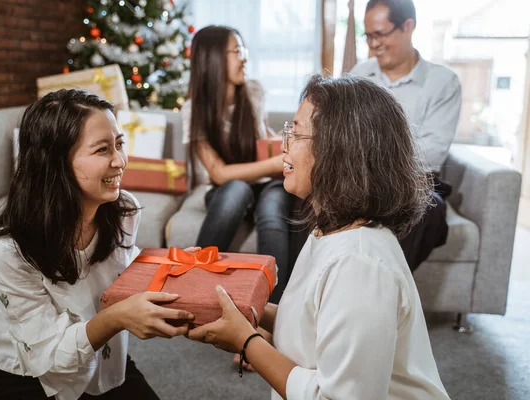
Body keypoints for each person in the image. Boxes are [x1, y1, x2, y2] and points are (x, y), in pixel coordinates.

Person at [188, 75, 451, 400]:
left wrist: (246, 341)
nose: (283, 145)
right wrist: (244, 306)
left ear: (338, 150)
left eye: (296, 134)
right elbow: (313, 317)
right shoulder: (329, 230)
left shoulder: (359, 265)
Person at [0, 89, 194, 400]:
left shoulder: (123, 211)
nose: (120, 161)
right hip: (33, 378)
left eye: (119, 144)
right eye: (102, 150)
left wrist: (168, 268)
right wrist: (118, 318)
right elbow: (46, 352)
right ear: (54, 163)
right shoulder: (10, 249)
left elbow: (122, 271)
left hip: (105, 364)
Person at [182, 25, 294, 304]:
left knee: (272, 210)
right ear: (213, 58)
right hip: (229, 189)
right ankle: (195, 280)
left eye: (244, 50)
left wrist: (286, 140)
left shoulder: (254, 92)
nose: (244, 57)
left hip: (268, 184)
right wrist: (274, 163)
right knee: (236, 190)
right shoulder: (193, 109)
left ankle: (274, 308)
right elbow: (218, 173)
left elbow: (262, 137)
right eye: (237, 51)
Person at [350, 0, 462, 270]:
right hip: (358, 182)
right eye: (368, 35)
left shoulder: (442, 83)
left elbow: (432, 151)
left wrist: (373, 157)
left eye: (380, 34)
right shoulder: (359, 75)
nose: (373, 44)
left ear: (408, 26)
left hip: (413, 185)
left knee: (430, 210)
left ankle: (382, 294)